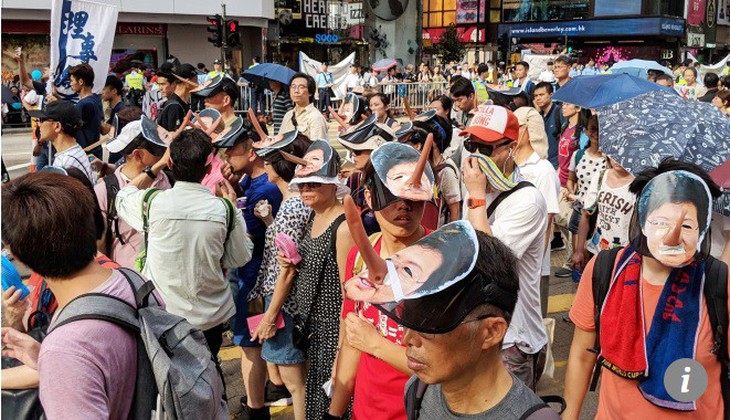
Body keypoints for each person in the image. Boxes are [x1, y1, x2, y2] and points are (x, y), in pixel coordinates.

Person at [563, 159, 727, 420]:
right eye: (662, 221)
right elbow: (583, 356)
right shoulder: (605, 269)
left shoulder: (718, 283)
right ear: (642, 217)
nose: (672, 235)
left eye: (686, 225)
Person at [370, 222, 556, 419]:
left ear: (491, 332)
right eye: (408, 317)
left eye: (430, 324)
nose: (407, 338)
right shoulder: (418, 390)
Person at [1, 171, 139, 418]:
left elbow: (79, 359)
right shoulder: (132, 281)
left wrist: (56, 359)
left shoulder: (67, 349)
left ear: (18, 256)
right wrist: (43, 358)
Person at [115, 128, 253, 356]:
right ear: (209, 168)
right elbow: (239, 257)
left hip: (164, 315)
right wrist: (234, 209)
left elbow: (124, 194)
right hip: (209, 318)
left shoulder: (151, 203)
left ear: (170, 164)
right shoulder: (225, 210)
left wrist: (154, 167)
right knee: (208, 373)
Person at [326, 143, 435, 419]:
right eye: (391, 195)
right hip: (365, 411)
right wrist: (334, 414)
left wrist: (375, 343)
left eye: (413, 197)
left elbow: (445, 366)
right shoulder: (360, 256)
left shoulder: (442, 259)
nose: (404, 207)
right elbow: (353, 341)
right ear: (370, 197)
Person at [461, 105, 549, 390]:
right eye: (471, 145)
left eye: (485, 148)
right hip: (478, 333)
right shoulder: (480, 187)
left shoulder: (528, 200)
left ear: (511, 147)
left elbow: (489, 260)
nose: (475, 156)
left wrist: (475, 196)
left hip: (513, 340)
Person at [208, 122, 283, 420]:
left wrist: (228, 205)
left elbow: (246, 239)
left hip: (253, 280)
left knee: (249, 346)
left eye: (232, 151)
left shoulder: (263, 189)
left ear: (251, 152)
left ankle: (255, 407)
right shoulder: (253, 182)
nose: (227, 158)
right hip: (252, 277)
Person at [282, 140, 355, 418]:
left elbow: (349, 293)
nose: (306, 190)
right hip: (315, 332)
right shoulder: (314, 217)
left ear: (333, 185)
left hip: (334, 334)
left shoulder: (344, 226)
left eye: (313, 183)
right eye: (303, 184)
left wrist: (341, 351)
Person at [249, 132, 312, 420]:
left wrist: (270, 316)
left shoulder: (292, 206)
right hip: (289, 302)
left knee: (295, 383)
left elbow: (286, 270)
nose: (265, 166)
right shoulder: (297, 201)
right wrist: (269, 222)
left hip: (285, 304)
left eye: (269, 160)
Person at [94, 118, 171, 269]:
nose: (163, 155)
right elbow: (99, 246)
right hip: (126, 281)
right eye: (159, 150)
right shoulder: (104, 191)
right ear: (139, 155)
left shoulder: (166, 180)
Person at [513, 111, 560, 316]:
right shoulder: (511, 165)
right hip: (512, 265)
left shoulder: (544, 171)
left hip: (533, 271)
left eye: (515, 125)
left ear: (526, 130)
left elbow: (547, 225)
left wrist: (535, 270)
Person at [572, 156, 635, 273]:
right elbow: (586, 214)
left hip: (625, 256)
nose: (618, 159)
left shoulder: (639, 183)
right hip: (598, 251)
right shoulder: (600, 177)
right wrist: (579, 250)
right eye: (615, 155)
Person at [339, 113, 396, 235]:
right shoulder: (353, 180)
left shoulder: (395, 183)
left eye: (358, 151)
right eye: (352, 150)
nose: (353, 154)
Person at [566, 115, 607, 276]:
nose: (596, 134)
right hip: (579, 211)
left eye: (600, 129)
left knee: (594, 263)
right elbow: (571, 179)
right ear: (586, 132)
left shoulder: (610, 160)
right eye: (593, 129)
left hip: (599, 216)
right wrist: (570, 192)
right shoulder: (578, 155)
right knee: (579, 258)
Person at [28, 100, 96, 182]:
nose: (38, 124)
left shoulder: (66, 163)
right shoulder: (72, 153)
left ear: (57, 126)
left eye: (42, 120)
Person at [68, 64, 104, 158]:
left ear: (80, 81)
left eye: (72, 81)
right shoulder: (95, 100)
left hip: (85, 154)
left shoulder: (84, 104)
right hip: (94, 152)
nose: (70, 84)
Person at [279, 73, 328, 141]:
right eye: (293, 87)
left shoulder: (316, 117)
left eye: (301, 87)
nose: (296, 91)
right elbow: (280, 141)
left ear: (310, 92)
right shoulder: (288, 115)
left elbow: (317, 149)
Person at [156, 63, 197, 131]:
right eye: (195, 79)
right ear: (187, 82)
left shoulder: (180, 102)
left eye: (163, 84)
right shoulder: (174, 106)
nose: (160, 88)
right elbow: (174, 137)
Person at [533, 82, 564, 169]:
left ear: (551, 95)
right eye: (536, 96)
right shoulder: (538, 116)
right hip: (544, 164)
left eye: (541, 95)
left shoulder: (560, 113)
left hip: (558, 165)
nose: (538, 98)